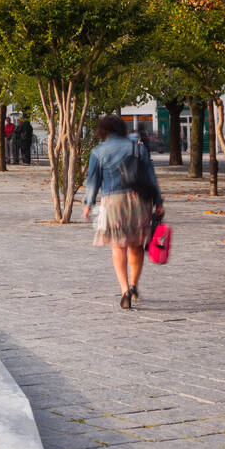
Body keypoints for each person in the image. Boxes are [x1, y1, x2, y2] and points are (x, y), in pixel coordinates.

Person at [83, 114, 164, 311]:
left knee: (118, 247)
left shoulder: (98, 152)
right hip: (140, 200)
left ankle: (124, 289)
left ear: (103, 131)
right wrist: (158, 201)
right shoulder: (138, 148)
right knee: (136, 245)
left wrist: (88, 202)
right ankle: (135, 285)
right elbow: (151, 177)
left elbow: (93, 181)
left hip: (114, 202)